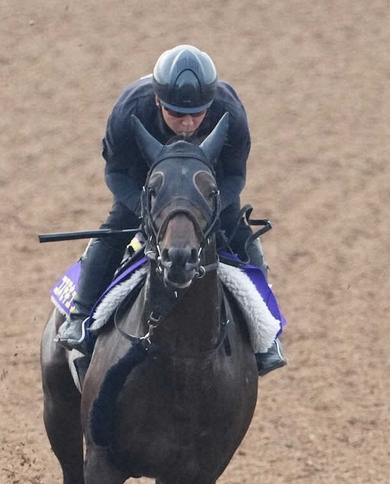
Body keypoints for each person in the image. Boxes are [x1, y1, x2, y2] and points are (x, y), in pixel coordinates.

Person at [56, 44, 286, 375]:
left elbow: (234, 175)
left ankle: (269, 335)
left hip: (207, 186)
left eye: (197, 114)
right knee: (114, 229)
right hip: (146, 184)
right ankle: (78, 318)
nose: (188, 124)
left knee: (240, 234)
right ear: (156, 101)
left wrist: (210, 209)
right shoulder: (127, 111)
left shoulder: (230, 112)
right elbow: (117, 174)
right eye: (176, 114)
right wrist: (145, 208)